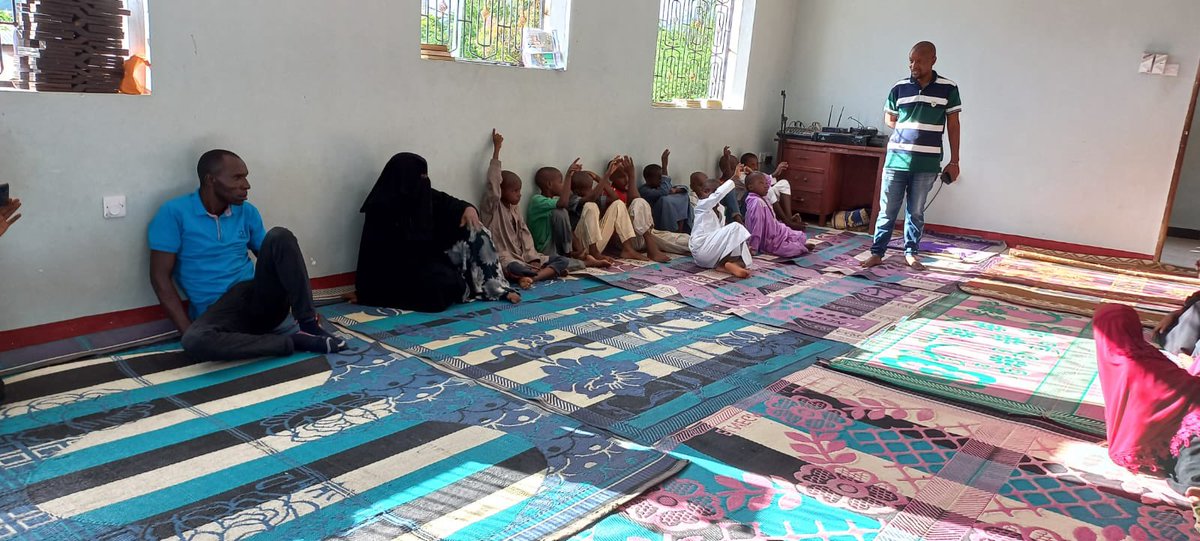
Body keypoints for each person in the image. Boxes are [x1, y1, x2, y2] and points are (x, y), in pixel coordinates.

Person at [148, 150, 347, 361]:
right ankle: (291, 342)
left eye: (245, 176)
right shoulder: (173, 213)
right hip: (218, 312)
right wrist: (187, 331)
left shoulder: (247, 212)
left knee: (280, 236)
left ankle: (308, 326)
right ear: (210, 180)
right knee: (194, 341)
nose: (246, 185)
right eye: (237, 178)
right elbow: (160, 278)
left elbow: (273, 260)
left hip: (254, 296)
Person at [355, 152, 520, 312]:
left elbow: (450, 203)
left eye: (425, 176)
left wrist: (468, 208)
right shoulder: (381, 208)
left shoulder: (423, 193)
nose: (424, 181)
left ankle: (494, 288)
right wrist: (365, 293)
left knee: (475, 231)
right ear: (402, 177)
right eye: (420, 176)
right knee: (440, 286)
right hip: (398, 270)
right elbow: (373, 258)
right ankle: (463, 285)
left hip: (429, 257)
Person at [1094, 303, 1200, 532]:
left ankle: (1193, 488)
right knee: (1195, 430)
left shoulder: (1110, 357)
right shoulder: (1141, 360)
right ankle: (1194, 486)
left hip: (1129, 449)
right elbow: (1187, 391)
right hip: (1153, 445)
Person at [864, 41, 962, 272]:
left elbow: (954, 124)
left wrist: (955, 160)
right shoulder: (899, 87)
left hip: (926, 163)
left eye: (919, 60)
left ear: (933, 60)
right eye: (911, 60)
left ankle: (911, 253)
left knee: (915, 211)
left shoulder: (948, 88)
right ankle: (877, 252)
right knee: (887, 209)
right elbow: (890, 118)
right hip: (896, 161)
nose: (913, 65)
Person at [481, 129, 573, 288]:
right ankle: (534, 274)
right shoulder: (492, 207)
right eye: (514, 191)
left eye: (520, 190)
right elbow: (493, 183)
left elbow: (525, 235)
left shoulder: (515, 210)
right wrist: (497, 149)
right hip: (505, 258)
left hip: (524, 258)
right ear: (501, 190)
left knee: (562, 260)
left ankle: (532, 277)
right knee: (511, 266)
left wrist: (533, 258)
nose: (519, 195)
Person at [690, 165, 753, 278]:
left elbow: (721, 239)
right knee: (736, 227)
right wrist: (734, 178)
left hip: (712, 256)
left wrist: (740, 243)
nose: (709, 195)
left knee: (741, 245)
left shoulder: (721, 209)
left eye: (713, 192)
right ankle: (725, 264)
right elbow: (716, 196)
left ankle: (729, 265)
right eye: (706, 191)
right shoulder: (701, 206)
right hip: (701, 252)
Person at [744, 172, 813, 258]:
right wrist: (753, 247)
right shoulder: (756, 203)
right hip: (769, 239)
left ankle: (797, 244)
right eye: (761, 183)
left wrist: (754, 173)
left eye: (766, 183)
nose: (766, 186)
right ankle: (799, 247)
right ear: (751, 187)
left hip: (778, 230)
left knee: (801, 236)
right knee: (791, 250)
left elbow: (768, 180)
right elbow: (756, 226)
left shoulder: (762, 197)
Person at [741, 152, 803, 230]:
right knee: (769, 189)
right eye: (752, 165)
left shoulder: (757, 174)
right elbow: (755, 186)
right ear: (744, 166)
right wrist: (772, 175)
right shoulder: (743, 176)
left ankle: (789, 218)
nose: (756, 167)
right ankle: (787, 222)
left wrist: (775, 174)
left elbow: (768, 180)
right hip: (753, 199)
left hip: (764, 196)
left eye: (757, 164)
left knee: (784, 183)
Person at [639, 148, 692, 233]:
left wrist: (676, 190)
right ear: (648, 179)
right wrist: (664, 166)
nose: (662, 180)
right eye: (659, 178)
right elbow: (664, 191)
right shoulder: (644, 190)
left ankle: (681, 229)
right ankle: (672, 231)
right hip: (657, 220)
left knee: (683, 195)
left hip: (671, 216)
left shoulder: (661, 186)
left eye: (662, 178)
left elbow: (682, 188)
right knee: (665, 200)